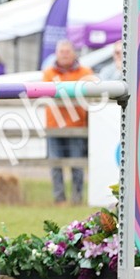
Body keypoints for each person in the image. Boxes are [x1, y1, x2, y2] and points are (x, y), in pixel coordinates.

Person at [42, 40, 93, 205]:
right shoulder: (48, 73)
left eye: (67, 51)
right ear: (56, 54)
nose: (64, 54)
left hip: (77, 126)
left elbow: (92, 91)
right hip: (54, 126)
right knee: (55, 164)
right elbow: (47, 94)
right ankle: (59, 200)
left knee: (77, 165)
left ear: (74, 53)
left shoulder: (85, 71)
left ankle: (77, 199)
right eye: (61, 51)